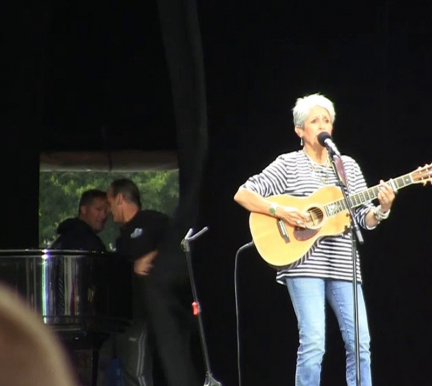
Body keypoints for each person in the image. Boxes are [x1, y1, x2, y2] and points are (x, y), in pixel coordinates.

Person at [233, 93, 396, 386]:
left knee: (360, 343)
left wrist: (382, 209)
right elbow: (243, 193)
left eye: (327, 120)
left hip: (345, 265)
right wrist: (280, 210)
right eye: (315, 120)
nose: (322, 125)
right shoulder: (287, 164)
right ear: (300, 130)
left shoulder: (347, 167)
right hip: (304, 265)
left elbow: (362, 219)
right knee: (314, 343)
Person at [104, 178, 198, 386]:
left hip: (161, 313)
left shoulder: (154, 221)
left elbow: (182, 242)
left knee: (145, 370)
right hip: (136, 315)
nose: (109, 211)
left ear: (120, 199)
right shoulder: (121, 240)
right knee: (135, 370)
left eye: (109, 203)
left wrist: (154, 256)